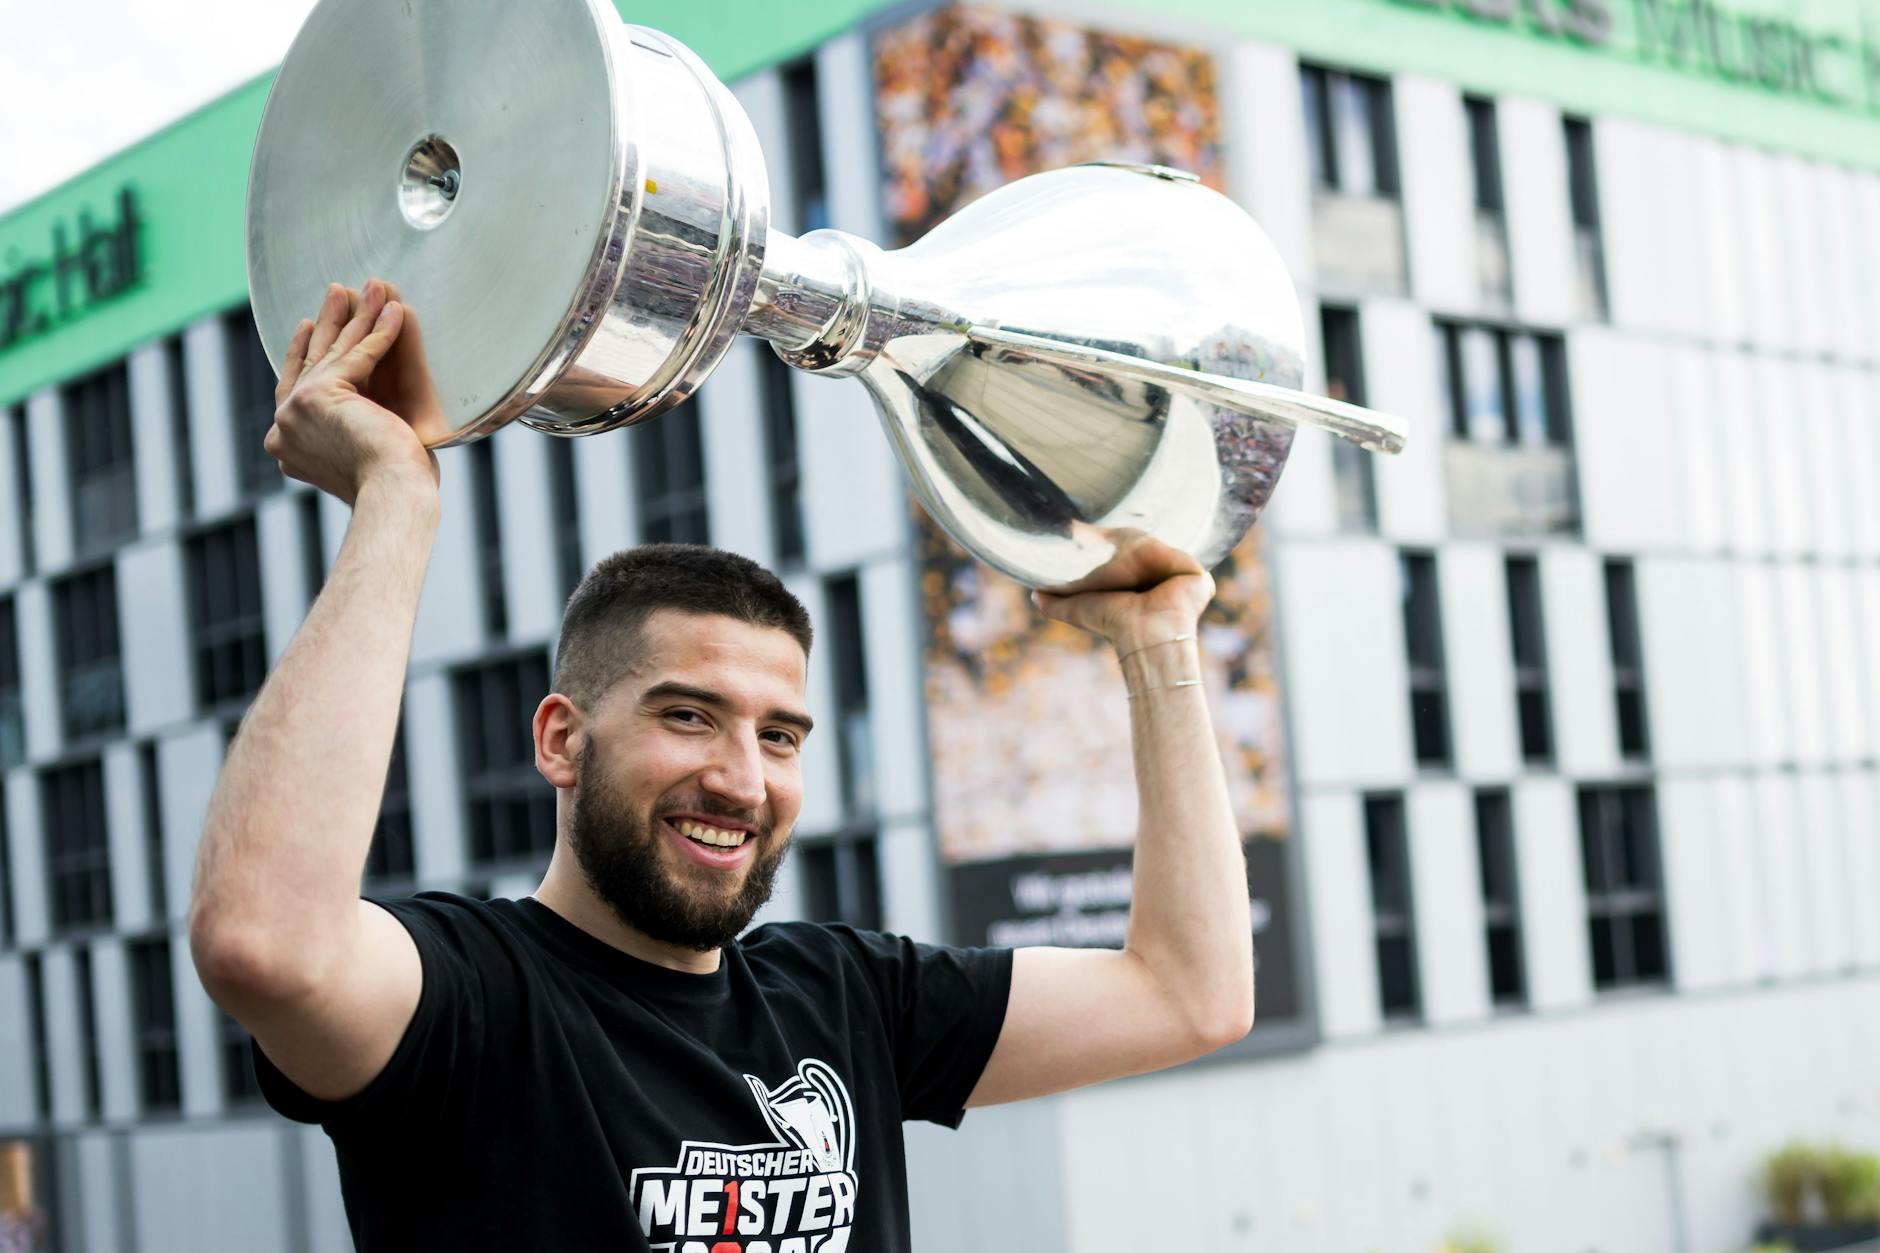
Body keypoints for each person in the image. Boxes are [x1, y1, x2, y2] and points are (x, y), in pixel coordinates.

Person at [188, 279, 1254, 1252]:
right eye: (690, 716)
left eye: (778, 733)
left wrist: (1156, 642)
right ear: (561, 736)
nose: (742, 778)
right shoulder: (471, 1000)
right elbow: (263, 942)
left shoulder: (847, 997)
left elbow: (1186, 994)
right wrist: (396, 497)